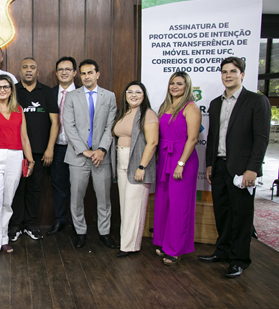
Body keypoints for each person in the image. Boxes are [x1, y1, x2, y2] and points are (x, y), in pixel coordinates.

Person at [198, 57, 271, 278]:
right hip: (219, 167)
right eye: (224, 72)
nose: (227, 75)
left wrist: (253, 169)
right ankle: (222, 252)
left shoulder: (256, 101)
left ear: (242, 74)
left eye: (232, 71)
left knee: (241, 215)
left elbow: (261, 138)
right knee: (222, 213)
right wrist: (210, 164)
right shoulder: (216, 103)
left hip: (242, 170)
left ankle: (239, 259)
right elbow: (212, 138)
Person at [0, 75, 35, 263]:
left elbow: (24, 137)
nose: (2, 90)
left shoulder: (18, 109)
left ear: (11, 89)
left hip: (15, 157)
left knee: (7, 202)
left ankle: (3, 239)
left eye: (6, 86)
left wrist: (30, 159)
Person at [63, 59, 117, 249]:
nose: (87, 76)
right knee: (76, 198)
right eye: (83, 73)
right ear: (80, 75)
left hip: (101, 157)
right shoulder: (71, 96)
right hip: (78, 156)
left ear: (97, 74)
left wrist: (101, 150)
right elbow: (68, 126)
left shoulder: (109, 96)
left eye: (90, 73)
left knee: (104, 198)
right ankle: (80, 232)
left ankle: (105, 233)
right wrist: (84, 150)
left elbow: (110, 126)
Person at [153, 71, 201, 265]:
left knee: (179, 205)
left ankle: (175, 249)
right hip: (164, 157)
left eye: (179, 84)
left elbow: (193, 139)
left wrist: (180, 163)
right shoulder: (165, 106)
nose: (174, 86)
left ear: (186, 86)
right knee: (163, 202)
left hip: (182, 158)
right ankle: (164, 243)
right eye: (172, 83)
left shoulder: (191, 107)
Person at [9, 57, 59, 241]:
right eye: (25, 67)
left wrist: (50, 148)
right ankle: (15, 225)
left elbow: (55, 122)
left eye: (32, 68)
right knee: (16, 189)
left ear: (37, 72)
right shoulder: (12, 90)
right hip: (14, 151)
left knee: (34, 189)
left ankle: (30, 224)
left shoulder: (46, 92)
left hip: (39, 152)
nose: (28, 70)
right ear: (19, 71)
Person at [111, 81, 158, 257]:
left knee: (134, 205)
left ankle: (129, 246)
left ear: (144, 95)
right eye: (129, 91)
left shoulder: (148, 114)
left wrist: (142, 166)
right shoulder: (124, 113)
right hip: (121, 160)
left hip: (137, 162)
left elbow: (152, 142)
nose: (133, 95)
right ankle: (127, 242)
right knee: (125, 205)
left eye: (138, 92)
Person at [47, 56, 77, 235]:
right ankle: (60, 220)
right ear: (56, 73)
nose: (64, 72)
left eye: (68, 69)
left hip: (77, 149)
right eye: (60, 69)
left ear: (74, 72)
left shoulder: (82, 93)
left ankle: (76, 222)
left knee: (77, 187)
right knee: (58, 186)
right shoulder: (49, 93)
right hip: (57, 147)